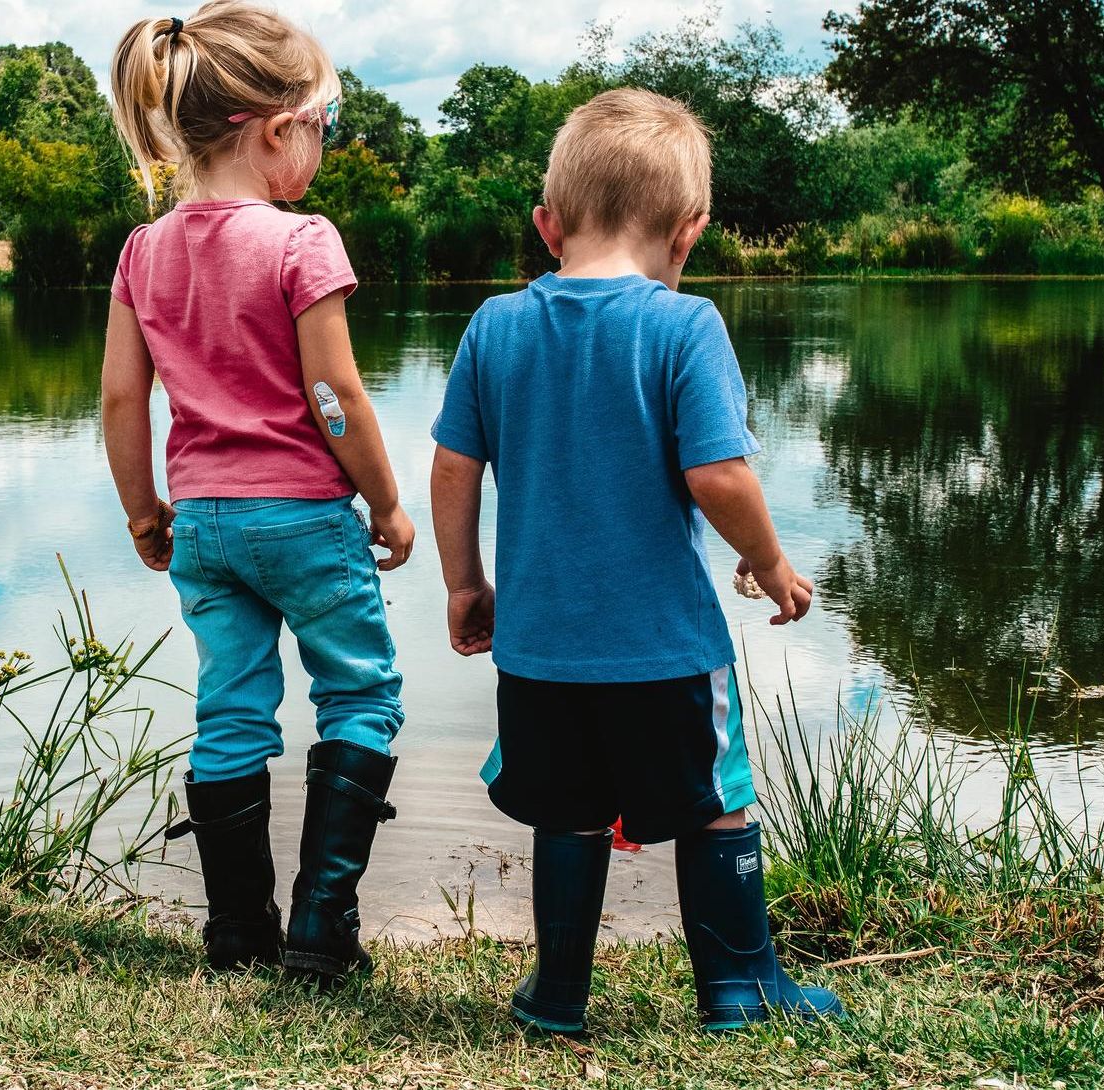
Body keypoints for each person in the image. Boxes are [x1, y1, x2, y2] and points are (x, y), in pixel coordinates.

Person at [429, 88, 846, 1032]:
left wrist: (465, 583)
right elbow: (720, 475)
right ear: (690, 232)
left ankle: (558, 996)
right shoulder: (683, 325)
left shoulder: (494, 326)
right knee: (716, 802)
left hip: (539, 651)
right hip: (664, 648)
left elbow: (454, 466)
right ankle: (740, 988)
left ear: (548, 225)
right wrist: (771, 564)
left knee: (567, 813)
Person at [101, 1, 414, 981]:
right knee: (358, 695)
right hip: (304, 521)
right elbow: (333, 393)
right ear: (277, 130)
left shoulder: (143, 250)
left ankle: (237, 933)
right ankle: (323, 933)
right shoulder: (299, 241)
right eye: (321, 126)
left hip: (203, 525)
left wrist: (142, 510)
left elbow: (120, 395)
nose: (320, 148)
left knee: (230, 712)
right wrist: (388, 502)